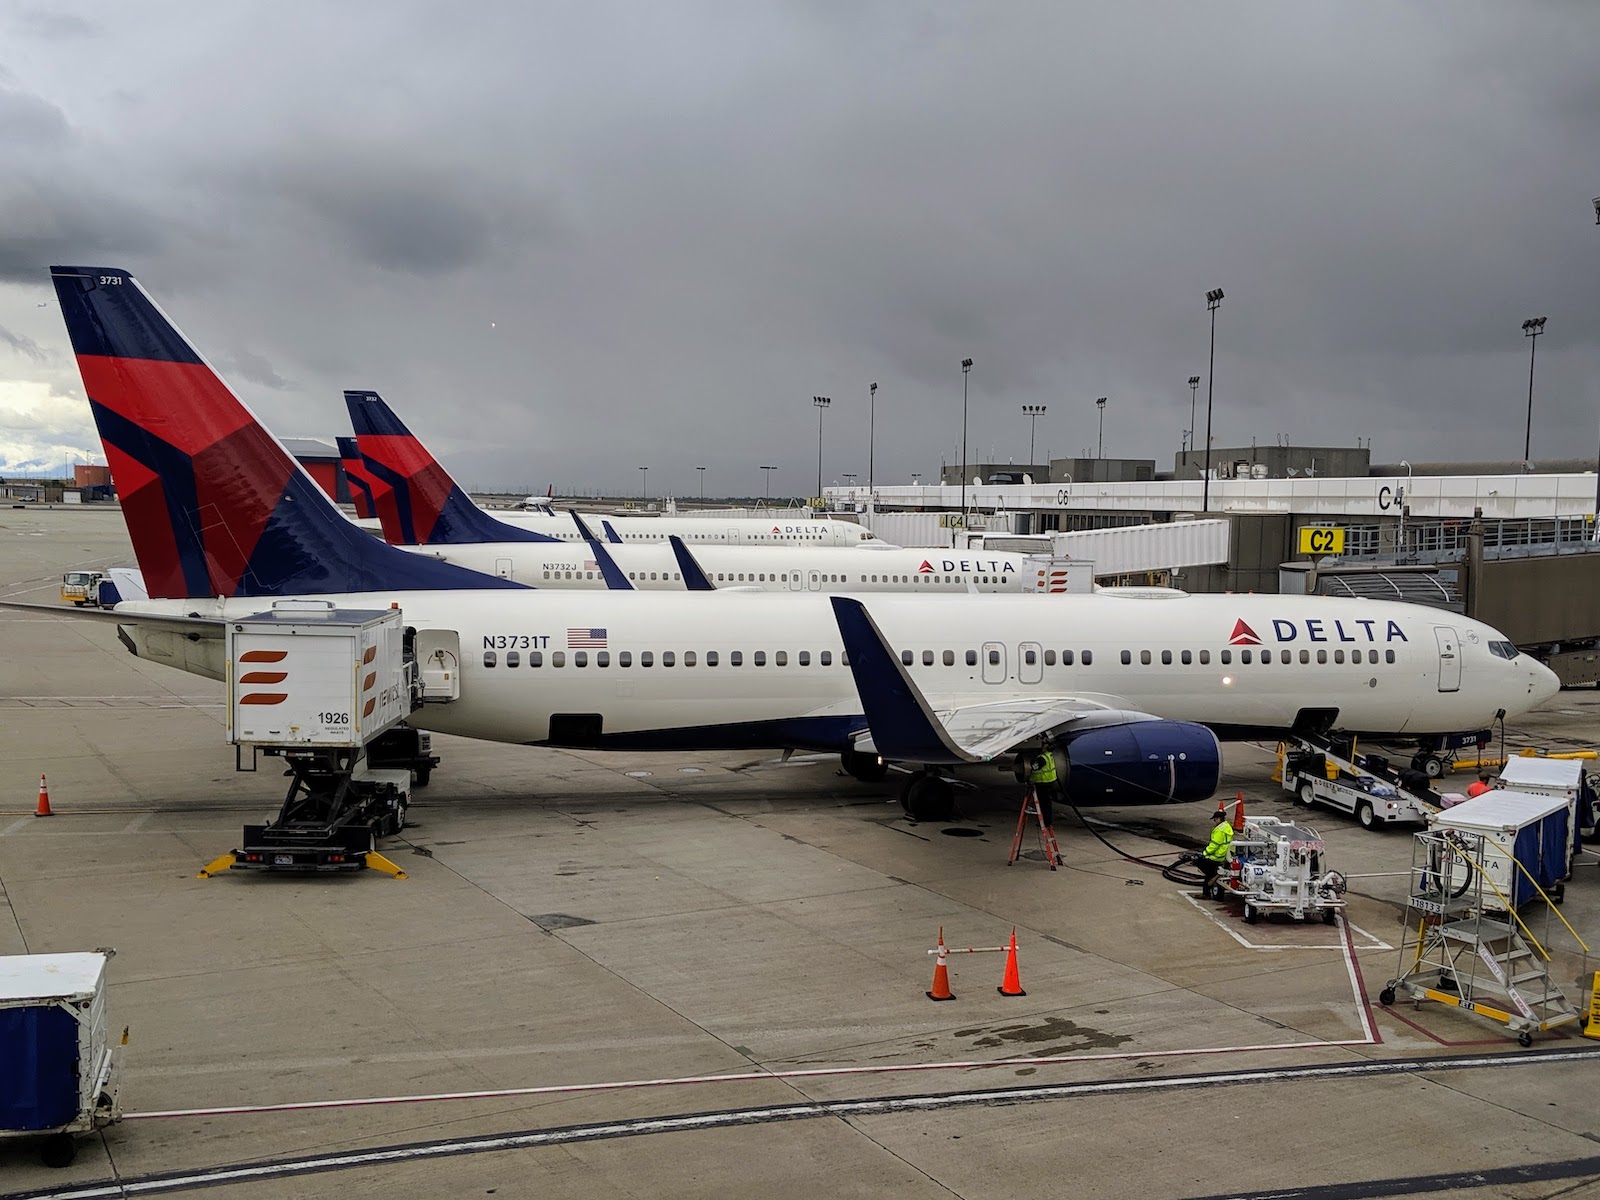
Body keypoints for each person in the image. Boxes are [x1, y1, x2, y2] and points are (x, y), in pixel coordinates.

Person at [1199, 808, 1234, 897]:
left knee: (1207, 873)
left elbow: (1214, 845)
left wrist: (1205, 853)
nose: (1214, 821)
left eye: (1215, 819)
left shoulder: (1219, 830)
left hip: (1216, 856)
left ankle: (1206, 893)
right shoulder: (1227, 826)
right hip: (1224, 854)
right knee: (1211, 872)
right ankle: (1216, 876)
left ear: (1218, 819)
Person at [1026, 742, 1060, 833]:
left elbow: (1035, 767)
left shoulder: (1042, 758)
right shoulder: (1049, 755)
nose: (1041, 746)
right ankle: (1047, 822)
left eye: (1043, 745)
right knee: (1047, 804)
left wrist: (1032, 760)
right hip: (1049, 782)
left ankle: (1046, 822)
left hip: (1042, 783)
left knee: (1044, 804)